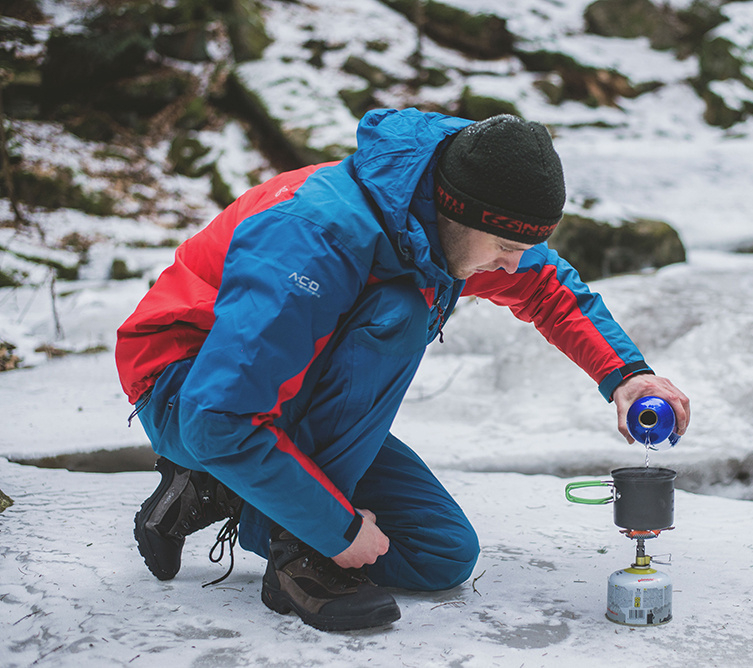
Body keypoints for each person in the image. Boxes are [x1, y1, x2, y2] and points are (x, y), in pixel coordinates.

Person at [116, 108, 689, 632]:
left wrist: (628, 374)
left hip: (272, 397)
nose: (513, 264)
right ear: (457, 211)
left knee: (441, 553)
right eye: (504, 246)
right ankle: (299, 549)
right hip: (185, 388)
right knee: (396, 312)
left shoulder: (442, 222)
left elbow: (548, 287)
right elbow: (217, 415)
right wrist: (334, 532)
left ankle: (222, 488)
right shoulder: (317, 234)